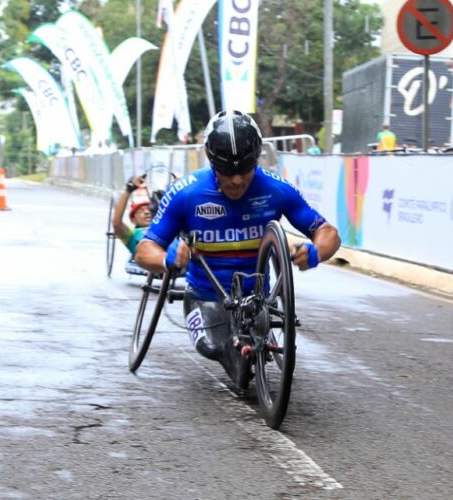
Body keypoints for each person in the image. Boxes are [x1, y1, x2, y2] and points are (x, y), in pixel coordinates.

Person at [135, 110, 341, 388]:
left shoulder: (276, 189)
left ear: (256, 160)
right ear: (211, 161)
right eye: (226, 172)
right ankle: (238, 356)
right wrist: (167, 259)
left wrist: (315, 252)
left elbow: (327, 233)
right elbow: (145, 250)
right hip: (204, 296)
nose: (236, 181)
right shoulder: (185, 193)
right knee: (211, 346)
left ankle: (248, 350)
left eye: (245, 170)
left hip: (256, 300)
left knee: (243, 349)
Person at [112, 176, 153, 258]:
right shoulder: (132, 235)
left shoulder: (167, 227)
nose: (146, 212)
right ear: (133, 220)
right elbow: (116, 223)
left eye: (149, 209)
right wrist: (129, 190)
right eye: (141, 211)